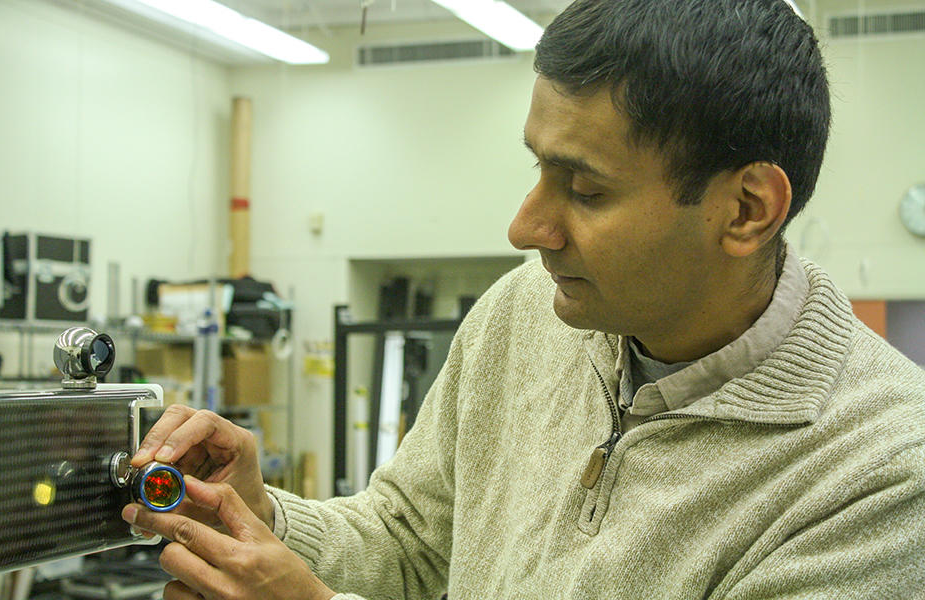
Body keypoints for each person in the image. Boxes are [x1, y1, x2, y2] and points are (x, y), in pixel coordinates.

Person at [122, 0, 925, 597]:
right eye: (537, 167)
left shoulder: (882, 476)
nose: (524, 226)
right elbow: (406, 539)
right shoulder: (522, 314)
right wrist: (261, 516)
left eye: (584, 187)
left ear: (746, 209)